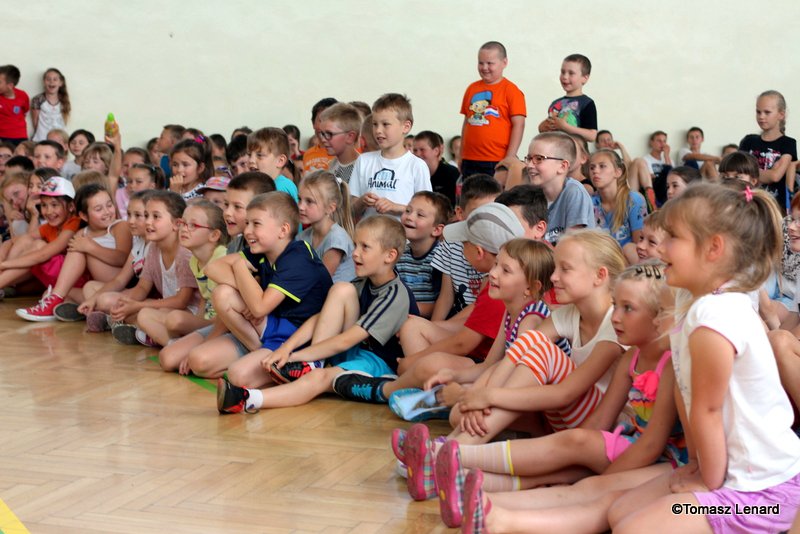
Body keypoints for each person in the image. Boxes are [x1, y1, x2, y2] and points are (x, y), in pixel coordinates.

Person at [408, 264, 685, 529]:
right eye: (616, 305)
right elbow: (600, 421)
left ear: (660, 317)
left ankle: (449, 458)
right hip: (625, 444)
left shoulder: (671, 364)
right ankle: (459, 485)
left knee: (580, 474)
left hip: (660, 459)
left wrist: (601, 475)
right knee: (564, 468)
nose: (616, 317)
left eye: (628, 308)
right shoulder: (631, 358)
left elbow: (651, 445)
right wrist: (576, 457)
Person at [606, 183, 800, 533]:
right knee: (619, 514)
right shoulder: (703, 305)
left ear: (713, 248)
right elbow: (689, 396)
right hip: (732, 476)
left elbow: (707, 410)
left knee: (632, 529)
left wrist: (705, 483)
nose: (660, 248)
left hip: (761, 494)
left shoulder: (714, 316)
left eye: (673, 238)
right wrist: (696, 464)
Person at [215, 215, 417, 413]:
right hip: (351, 353)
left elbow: (345, 341)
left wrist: (295, 356)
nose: (355, 253)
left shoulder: (395, 294)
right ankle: (313, 363)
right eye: (355, 245)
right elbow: (319, 318)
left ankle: (246, 399)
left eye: (365, 247)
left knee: (317, 378)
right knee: (341, 289)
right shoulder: (360, 283)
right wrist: (287, 348)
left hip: (377, 365)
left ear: (390, 256)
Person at [332, 203, 526, 405]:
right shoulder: (495, 284)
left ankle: (385, 389)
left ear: (479, 252)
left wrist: (414, 360)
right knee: (412, 326)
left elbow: (462, 343)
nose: (460, 249)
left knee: (428, 364)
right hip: (479, 362)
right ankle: (421, 389)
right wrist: (430, 326)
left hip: (483, 365)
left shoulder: (499, 288)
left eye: (463, 244)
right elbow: (472, 321)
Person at [195, 192, 332, 384]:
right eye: (247, 223)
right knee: (198, 360)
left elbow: (259, 308)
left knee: (237, 376)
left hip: (299, 337)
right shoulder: (261, 250)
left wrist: (239, 267)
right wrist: (250, 292)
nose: (247, 230)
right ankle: (258, 352)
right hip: (271, 326)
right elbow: (212, 268)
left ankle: (288, 364)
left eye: (256, 224)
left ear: (283, 230)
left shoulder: (298, 258)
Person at [158, 172, 276, 375]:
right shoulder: (234, 246)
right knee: (168, 358)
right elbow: (226, 307)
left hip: (256, 331)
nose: (227, 213)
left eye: (237, 207)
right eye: (226, 204)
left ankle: (259, 361)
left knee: (199, 361)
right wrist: (208, 340)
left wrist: (203, 347)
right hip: (231, 326)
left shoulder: (270, 249)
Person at [17, 183, 131, 321]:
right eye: (98, 209)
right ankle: (78, 308)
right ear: (84, 216)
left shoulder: (120, 226)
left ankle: (68, 304)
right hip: (98, 288)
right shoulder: (82, 233)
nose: (107, 212)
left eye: (109, 205)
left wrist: (91, 247)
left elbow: (122, 258)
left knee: (79, 248)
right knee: (51, 293)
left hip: (120, 287)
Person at [108, 191, 200, 345]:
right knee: (129, 312)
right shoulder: (153, 248)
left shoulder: (184, 253)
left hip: (190, 313)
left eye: (156, 216)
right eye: (146, 215)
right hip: (168, 309)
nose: (148, 222)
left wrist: (139, 305)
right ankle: (150, 335)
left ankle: (174, 346)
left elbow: (181, 301)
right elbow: (143, 287)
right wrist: (127, 304)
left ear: (176, 224)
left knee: (144, 314)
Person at [139, 199, 228, 350]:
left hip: (222, 324)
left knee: (175, 319)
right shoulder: (194, 260)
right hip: (206, 321)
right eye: (183, 223)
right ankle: (177, 347)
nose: (184, 229)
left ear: (214, 235)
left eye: (193, 225)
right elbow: (204, 299)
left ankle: (184, 348)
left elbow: (227, 308)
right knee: (144, 315)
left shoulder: (222, 258)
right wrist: (197, 321)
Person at [430, 174, 502, 320]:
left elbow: (480, 304)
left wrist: (441, 328)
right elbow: (446, 297)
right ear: (460, 213)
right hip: (458, 318)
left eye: (491, 213)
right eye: (477, 213)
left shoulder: (498, 248)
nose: (484, 220)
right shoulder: (450, 244)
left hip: (484, 319)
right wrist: (434, 326)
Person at [76, 191, 149, 331]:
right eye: (129, 215)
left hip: (151, 300)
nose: (130, 221)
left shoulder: (154, 245)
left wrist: (121, 301)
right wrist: (93, 299)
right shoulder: (140, 243)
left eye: (138, 216)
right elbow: (120, 280)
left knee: (105, 300)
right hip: (137, 294)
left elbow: (143, 289)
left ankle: (116, 319)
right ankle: (112, 318)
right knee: (90, 288)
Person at [350, 93, 431, 219]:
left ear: (406, 127)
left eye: (385, 124)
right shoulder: (363, 160)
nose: (378, 130)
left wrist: (396, 207)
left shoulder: (417, 165)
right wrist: (362, 201)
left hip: (401, 232)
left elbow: (426, 211)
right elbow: (351, 210)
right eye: (375, 124)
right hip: (367, 231)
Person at [0, 177, 79, 300]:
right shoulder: (51, 226)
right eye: (44, 205)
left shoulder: (74, 222)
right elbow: (17, 240)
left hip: (72, 279)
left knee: (38, 246)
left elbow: (42, 255)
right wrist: (2, 257)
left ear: (71, 206)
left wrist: (5, 264)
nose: (49, 211)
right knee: (26, 241)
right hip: (54, 277)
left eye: (54, 205)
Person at [459, 42, 526, 179]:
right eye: (481, 63)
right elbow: (467, 123)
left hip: (496, 159)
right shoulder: (472, 89)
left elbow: (519, 125)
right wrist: (461, 154)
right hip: (470, 158)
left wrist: (509, 157)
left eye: (490, 63)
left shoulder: (511, 91)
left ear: (504, 62)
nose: (485, 68)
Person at [526, 132, 594, 244]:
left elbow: (572, 246)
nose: (529, 165)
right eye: (529, 158)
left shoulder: (574, 192)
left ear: (562, 166)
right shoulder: (532, 195)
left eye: (539, 159)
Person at [740, 90, 797, 212]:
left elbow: (775, 176)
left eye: (767, 112)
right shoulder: (748, 141)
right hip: (748, 205)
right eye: (758, 112)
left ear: (781, 114)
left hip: (775, 208)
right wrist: (767, 173)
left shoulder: (788, 143)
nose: (761, 116)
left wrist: (749, 173)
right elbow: (738, 171)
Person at [396, 191, 451, 318]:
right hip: (401, 315)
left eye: (420, 215)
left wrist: (406, 308)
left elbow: (443, 304)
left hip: (425, 322)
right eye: (408, 211)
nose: (409, 217)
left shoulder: (441, 258)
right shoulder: (400, 254)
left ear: (436, 229)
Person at [296, 170, 356, 283]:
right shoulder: (302, 237)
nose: (301, 207)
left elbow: (319, 281)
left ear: (330, 208)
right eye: (299, 199)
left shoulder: (336, 238)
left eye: (309, 201)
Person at [589, 149, 646, 264]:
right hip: (602, 262)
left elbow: (639, 246)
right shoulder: (589, 203)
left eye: (602, 166)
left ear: (617, 172)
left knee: (629, 248)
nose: (595, 171)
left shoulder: (633, 200)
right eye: (592, 167)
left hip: (631, 261)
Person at [539, 54, 597, 143]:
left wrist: (565, 127)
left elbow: (592, 136)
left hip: (574, 150)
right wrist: (542, 127)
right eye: (563, 72)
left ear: (585, 78)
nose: (565, 77)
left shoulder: (587, 103)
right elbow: (547, 129)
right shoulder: (555, 103)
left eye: (571, 73)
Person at [247, 127, 298, 201]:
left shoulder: (280, 188)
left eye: (259, 155)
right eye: (249, 155)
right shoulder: (261, 185)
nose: (251, 160)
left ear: (280, 161)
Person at [413, 131, 460, 206]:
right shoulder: (412, 173)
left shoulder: (451, 174)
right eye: (415, 150)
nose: (417, 154)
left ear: (436, 151)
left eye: (422, 150)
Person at [318, 103, 361, 184]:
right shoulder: (333, 164)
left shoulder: (362, 169)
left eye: (329, 134)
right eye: (322, 134)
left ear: (350, 137)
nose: (323, 139)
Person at [628, 131, 671, 210]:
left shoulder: (668, 160)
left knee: (669, 173)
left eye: (664, 141)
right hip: (655, 188)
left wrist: (667, 156)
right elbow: (651, 178)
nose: (662, 144)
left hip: (667, 188)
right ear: (651, 142)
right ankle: (651, 202)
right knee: (667, 171)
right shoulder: (645, 160)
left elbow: (672, 177)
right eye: (659, 141)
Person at [30, 68, 70, 142]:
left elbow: (64, 120)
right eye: (48, 79)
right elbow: (35, 122)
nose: (51, 82)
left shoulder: (64, 100)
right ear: (44, 82)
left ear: (60, 83)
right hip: (41, 139)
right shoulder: (38, 99)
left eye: (55, 79)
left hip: (59, 140)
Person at [302, 97, 338, 175]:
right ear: (313, 123)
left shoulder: (343, 153)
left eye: (330, 120)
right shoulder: (307, 154)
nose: (325, 126)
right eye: (321, 120)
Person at [0, 65, 29, 146]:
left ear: (10, 86)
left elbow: (25, 111)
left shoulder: (22, 95)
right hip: (1, 136)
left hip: (19, 136)